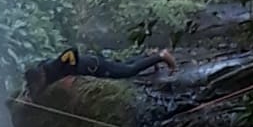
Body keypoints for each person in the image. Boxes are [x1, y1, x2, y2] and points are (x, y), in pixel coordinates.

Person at [24, 45, 177, 99]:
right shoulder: (42, 71)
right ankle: (148, 56)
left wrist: (71, 72)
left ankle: (161, 56)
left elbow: (71, 51)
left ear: (41, 76)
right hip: (93, 63)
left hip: (95, 66)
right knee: (123, 65)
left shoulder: (53, 67)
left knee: (128, 71)